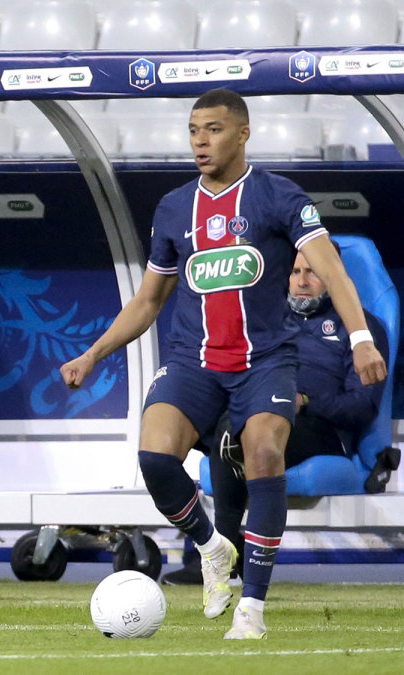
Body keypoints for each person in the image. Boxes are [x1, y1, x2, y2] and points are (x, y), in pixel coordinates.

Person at [60, 88, 386, 640]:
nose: (199, 142)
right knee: (155, 457)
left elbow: (332, 269)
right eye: (192, 131)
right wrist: (93, 354)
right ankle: (213, 547)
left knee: (262, 452)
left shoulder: (280, 197)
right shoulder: (173, 208)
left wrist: (360, 337)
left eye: (212, 129)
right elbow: (147, 301)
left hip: (264, 361)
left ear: (243, 133)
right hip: (194, 360)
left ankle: (251, 609)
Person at [162, 244, 388, 585]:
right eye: (295, 272)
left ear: (333, 277)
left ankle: (217, 553)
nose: (302, 280)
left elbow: (362, 406)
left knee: (237, 429)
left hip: (319, 430)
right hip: (255, 413)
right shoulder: (266, 320)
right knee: (192, 419)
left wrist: (305, 401)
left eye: (312, 272)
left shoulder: (361, 331)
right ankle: (221, 549)